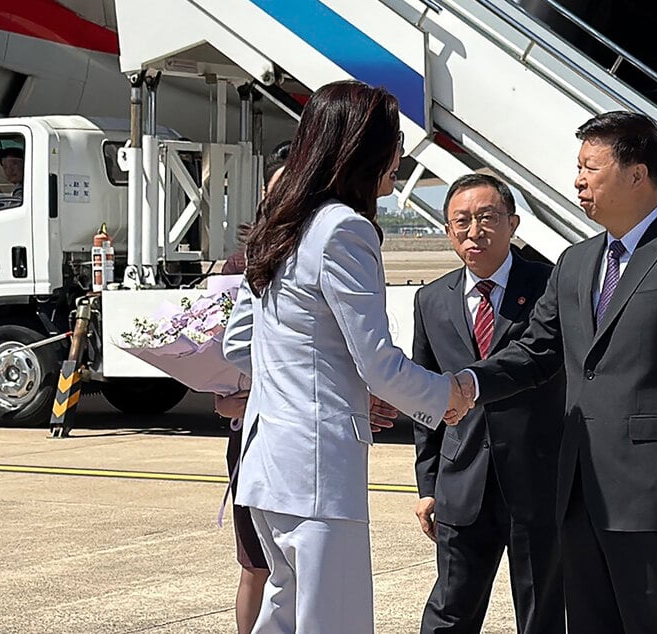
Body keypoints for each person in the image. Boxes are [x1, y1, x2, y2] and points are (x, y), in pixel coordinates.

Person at [454, 111, 657, 633]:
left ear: (636, 174)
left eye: (590, 166)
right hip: (578, 491)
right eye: (578, 167)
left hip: (652, 495)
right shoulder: (576, 261)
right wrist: (469, 384)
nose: (578, 180)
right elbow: (536, 350)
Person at [222, 80, 471, 633]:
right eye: (394, 142)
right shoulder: (344, 229)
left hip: (268, 466)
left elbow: (238, 343)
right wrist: (448, 397)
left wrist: (347, 391)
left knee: (284, 615)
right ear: (361, 147)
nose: (400, 157)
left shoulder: (279, 226)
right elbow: (376, 360)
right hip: (317, 473)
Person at [413, 174, 566, 634]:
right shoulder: (430, 300)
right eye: (461, 221)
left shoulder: (549, 286)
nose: (473, 231)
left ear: (513, 224)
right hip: (462, 483)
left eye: (486, 218)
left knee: (541, 614)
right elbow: (427, 403)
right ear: (447, 231)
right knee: (449, 612)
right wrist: (427, 483)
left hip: (537, 480)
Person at [213, 144, 289, 634]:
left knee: (297, 566)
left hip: (298, 435)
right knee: (256, 565)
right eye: (274, 190)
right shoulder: (241, 264)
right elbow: (222, 356)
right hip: (251, 437)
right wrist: (222, 397)